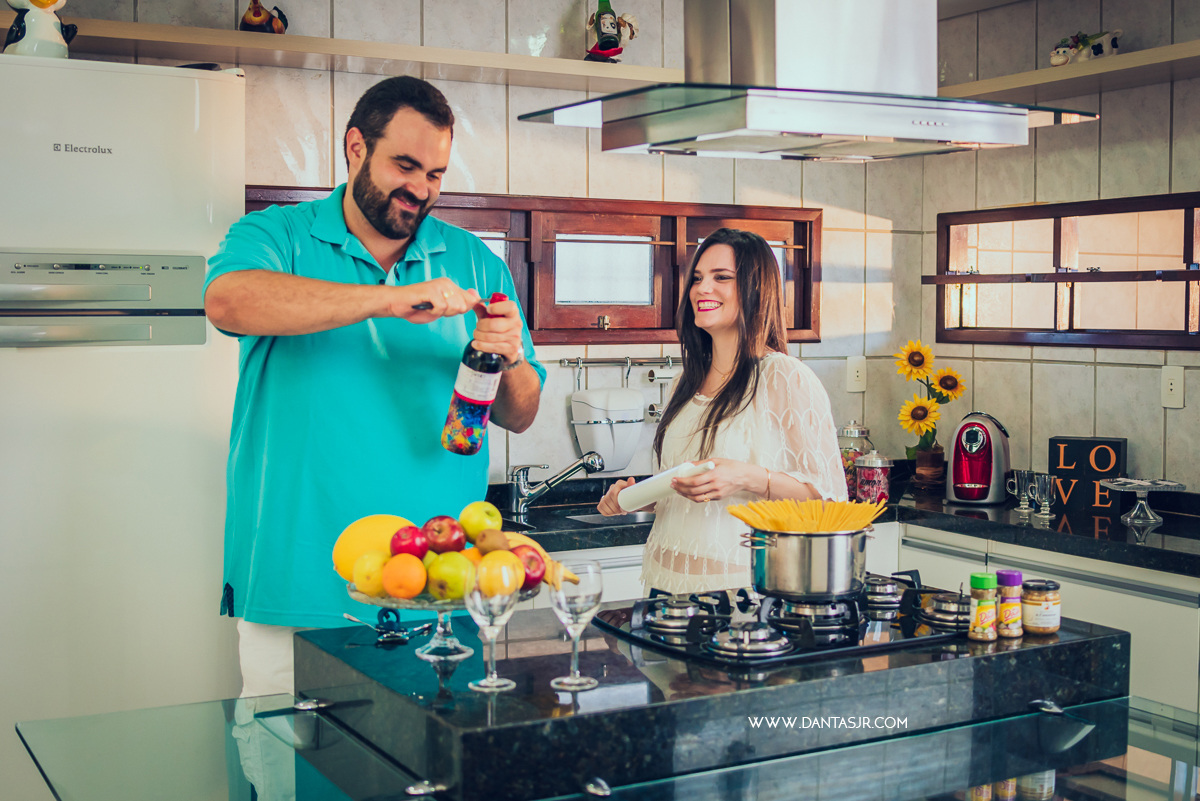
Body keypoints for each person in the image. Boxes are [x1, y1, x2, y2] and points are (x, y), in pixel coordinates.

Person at [203, 76, 545, 698]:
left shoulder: (477, 263)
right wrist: (388, 299)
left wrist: (513, 358)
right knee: (293, 787)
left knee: (437, 789)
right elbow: (228, 301)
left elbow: (521, 414)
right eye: (405, 165)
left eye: (436, 174)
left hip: (442, 597)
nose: (420, 188)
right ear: (356, 147)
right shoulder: (275, 237)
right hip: (298, 591)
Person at [596, 228, 846, 594]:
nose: (702, 289)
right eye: (697, 278)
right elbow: (682, 489)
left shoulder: (784, 377)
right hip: (664, 589)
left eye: (721, 277)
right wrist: (638, 497)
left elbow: (830, 504)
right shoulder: (685, 381)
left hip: (740, 594)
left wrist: (748, 477)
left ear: (756, 288)